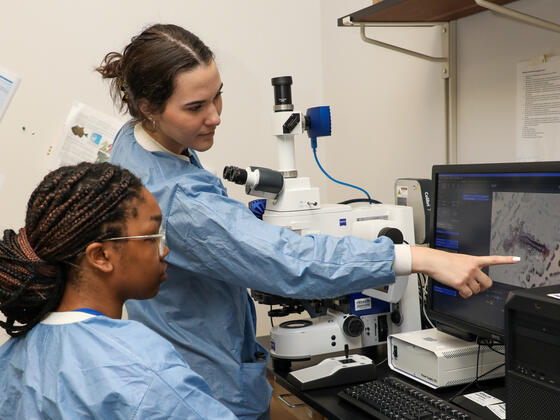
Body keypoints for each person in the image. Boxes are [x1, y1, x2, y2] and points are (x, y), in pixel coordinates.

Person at [97, 24, 518, 420]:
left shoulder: (133, 141)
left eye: (217, 96)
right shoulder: (177, 197)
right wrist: (419, 256)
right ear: (149, 106)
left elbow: (201, 229)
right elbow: (287, 263)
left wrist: (233, 225)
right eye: (195, 107)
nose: (215, 116)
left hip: (174, 358)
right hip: (207, 386)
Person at [0, 162, 237, 419]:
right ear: (101, 256)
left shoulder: (11, 358)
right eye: (152, 237)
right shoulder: (141, 368)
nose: (164, 250)